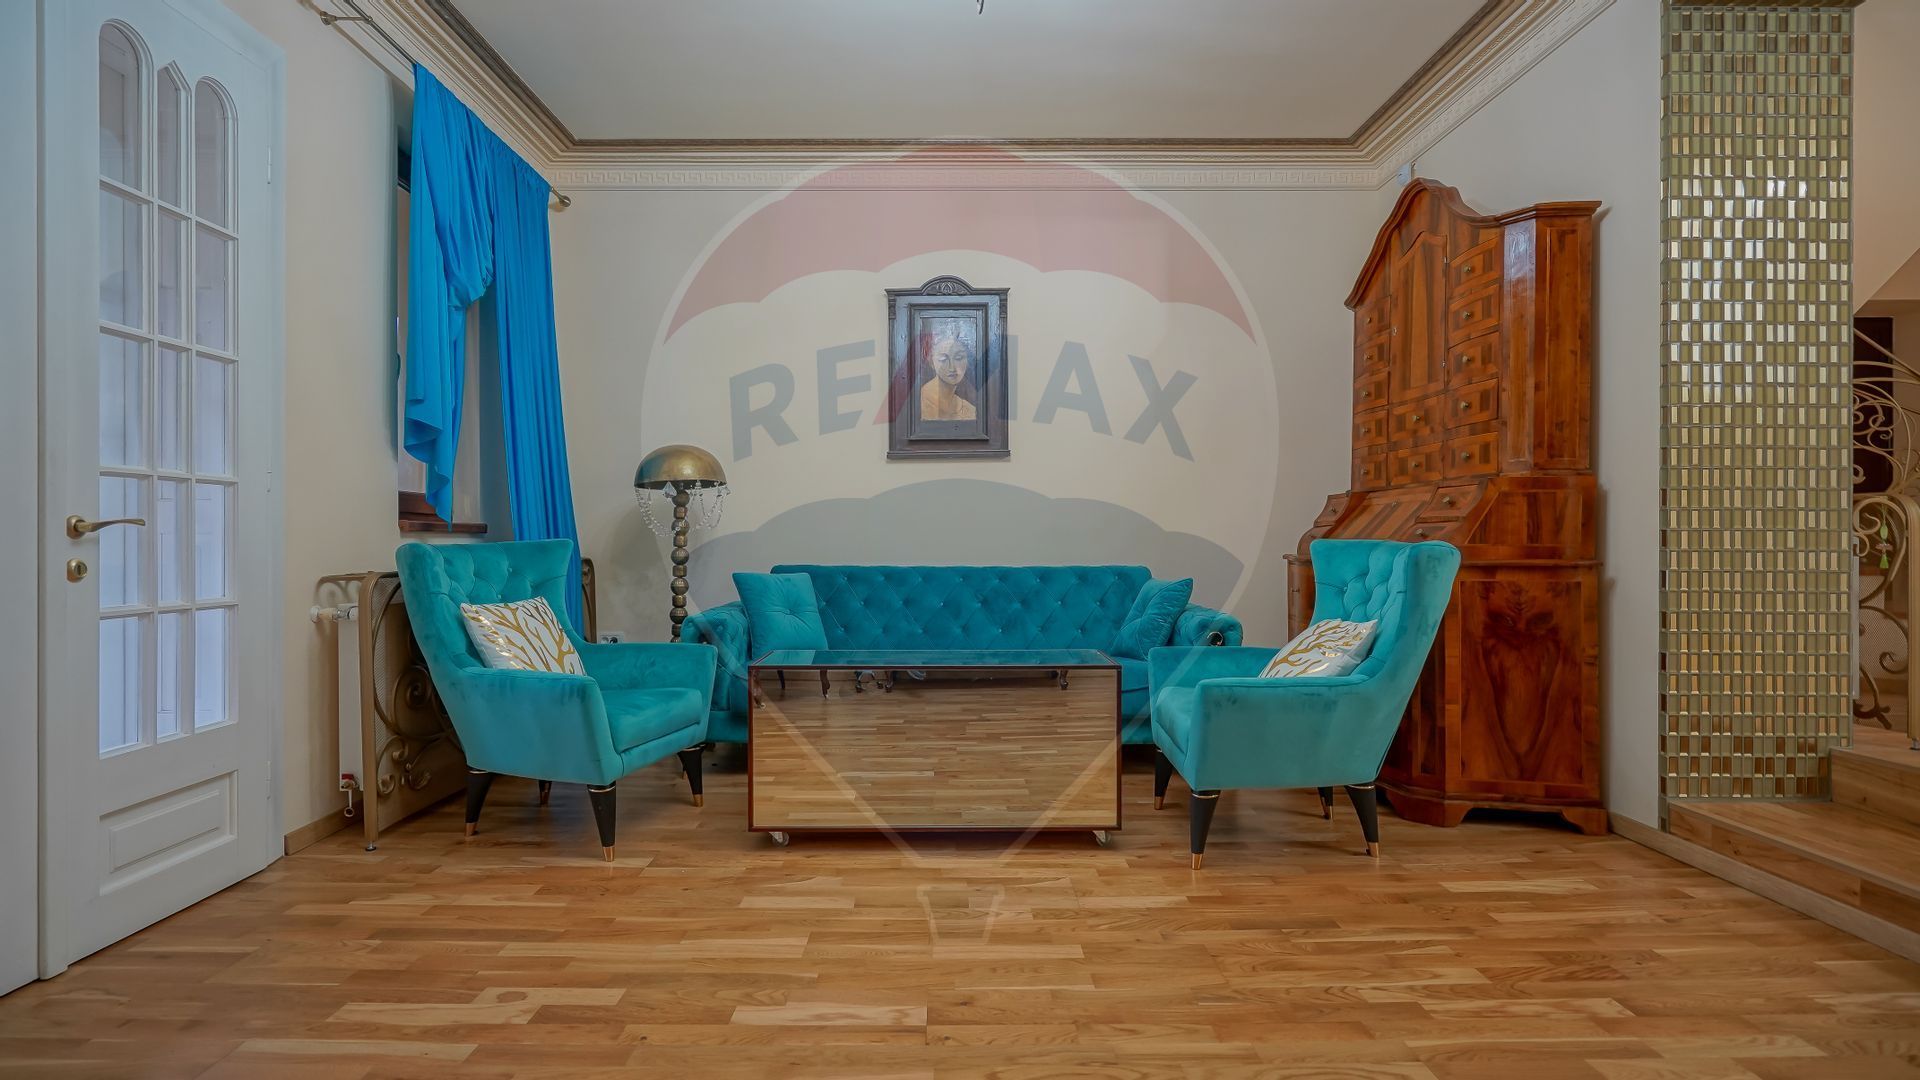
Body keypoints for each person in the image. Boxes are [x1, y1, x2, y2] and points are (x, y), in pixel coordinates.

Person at [919, 331, 977, 422]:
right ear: (931, 362)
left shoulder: (969, 410)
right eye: (943, 359)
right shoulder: (919, 402)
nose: (952, 368)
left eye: (958, 358)